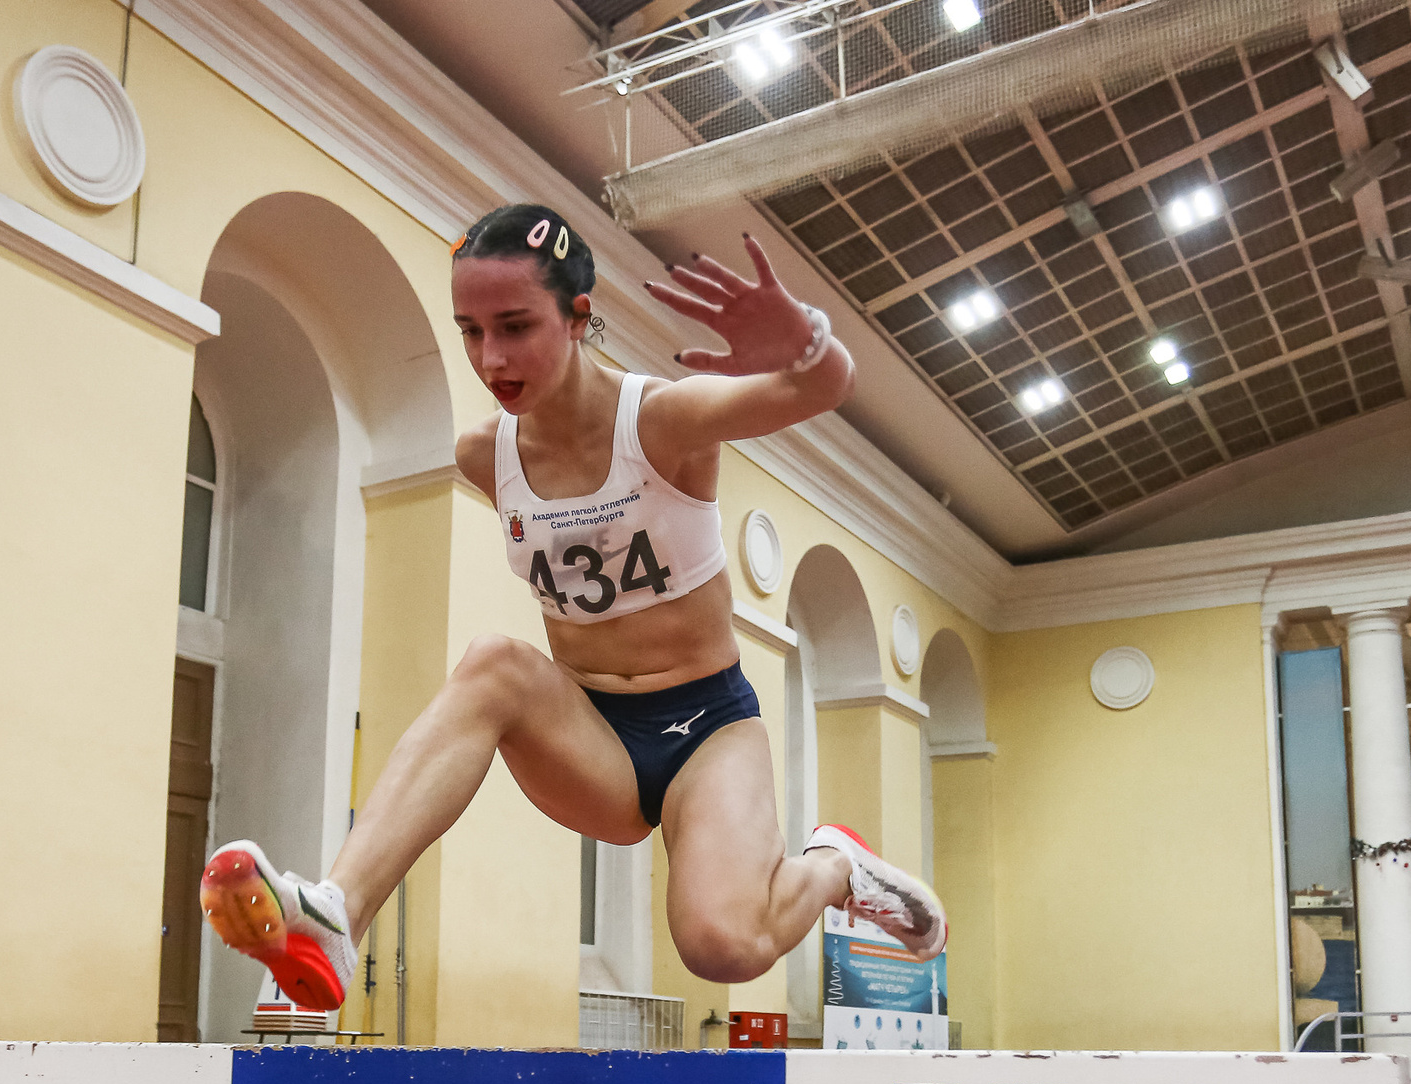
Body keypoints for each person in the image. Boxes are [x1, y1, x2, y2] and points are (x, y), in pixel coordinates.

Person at [198, 204, 946, 1012]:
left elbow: (824, 385)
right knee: (494, 661)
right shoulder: (484, 455)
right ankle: (336, 914)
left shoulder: (663, 419)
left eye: (516, 326)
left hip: (708, 728)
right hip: (596, 737)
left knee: (721, 946)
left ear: (579, 315)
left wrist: (802, 342)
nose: (493, 357)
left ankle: (835, 864)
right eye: (472, 331)